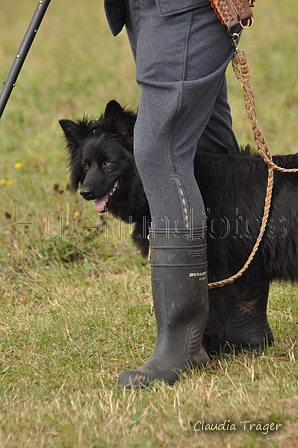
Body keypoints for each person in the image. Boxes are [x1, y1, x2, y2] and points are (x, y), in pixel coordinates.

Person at [104, 0, 240, 389]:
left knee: (158, 148)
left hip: (183, 7)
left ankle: (182, 342)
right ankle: (238, 315)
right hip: (146, 9)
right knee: (205, 141)